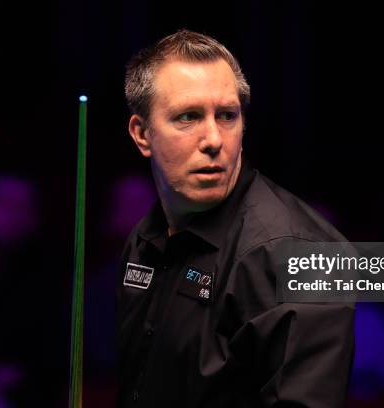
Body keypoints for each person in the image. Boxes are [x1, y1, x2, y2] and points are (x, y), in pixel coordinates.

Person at [116, 29, 355, 407]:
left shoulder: (299, 257)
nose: (213, 139)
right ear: (142, 134)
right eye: (188, 117)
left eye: (227, 115)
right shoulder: (146, 238)